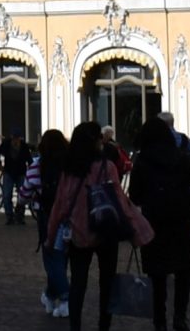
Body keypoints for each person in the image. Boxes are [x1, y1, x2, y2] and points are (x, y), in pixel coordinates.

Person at [45, 117, 146, 331]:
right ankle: (103, 326)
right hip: (105, 229)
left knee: (78, 283)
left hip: (78, 232)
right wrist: (134, 230)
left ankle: (75, 326)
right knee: (107, 282)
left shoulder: (69, 169)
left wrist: (51, 236)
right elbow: (119, 200)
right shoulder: (107, 167)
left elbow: (60, 205)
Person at [131, 113, 190, 331]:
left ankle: (159, 320)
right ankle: (180, 316)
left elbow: (135, 195)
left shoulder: (142, 160)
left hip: (154, 220)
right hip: (181, 219)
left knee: (157, 272)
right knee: (183, 269)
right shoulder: (182, 156)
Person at [32, 125, 75, 317]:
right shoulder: (71, 164)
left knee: (52, 257)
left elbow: (25, 191)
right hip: (70, 216)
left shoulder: (38, 164)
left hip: (48, 215)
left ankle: (65, 298)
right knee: (61, 258)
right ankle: (49, 295)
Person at [0, 123, 32, 225]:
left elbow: (29, 160)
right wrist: (0, 166)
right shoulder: (6, 144)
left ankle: (20, 216)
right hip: (9, 172)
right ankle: (9, 216)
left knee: (22, 195)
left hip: (21, 173)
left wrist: (30, 170)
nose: (15, 141)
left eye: (17, 138)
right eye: (14, 138)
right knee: (6, 195)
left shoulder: (24, 146)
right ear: (11, 137)